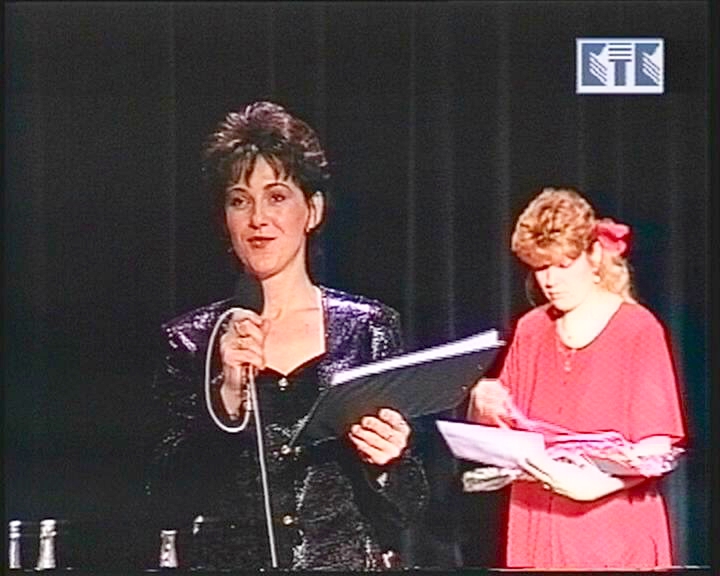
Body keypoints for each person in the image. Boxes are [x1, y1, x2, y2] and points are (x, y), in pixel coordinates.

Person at [145, 101, 428, 570]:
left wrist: (388, 462)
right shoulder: (189, 341)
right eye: (240, 200)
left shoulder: (367, 328)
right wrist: (226, 395)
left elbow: (408, 508)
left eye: (276, 197)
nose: (258, 218)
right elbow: (164, 495)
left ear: (312, 210)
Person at [467, 187, 686, 570]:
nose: (550, 280)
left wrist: (593, 486)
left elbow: (655, 448)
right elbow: (501, 433)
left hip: (610, 524)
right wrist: (481, 403)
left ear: (594, 255)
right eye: (541, 267)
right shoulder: (531, 329)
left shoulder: (637, 329)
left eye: (563, 265)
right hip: (537, 521)